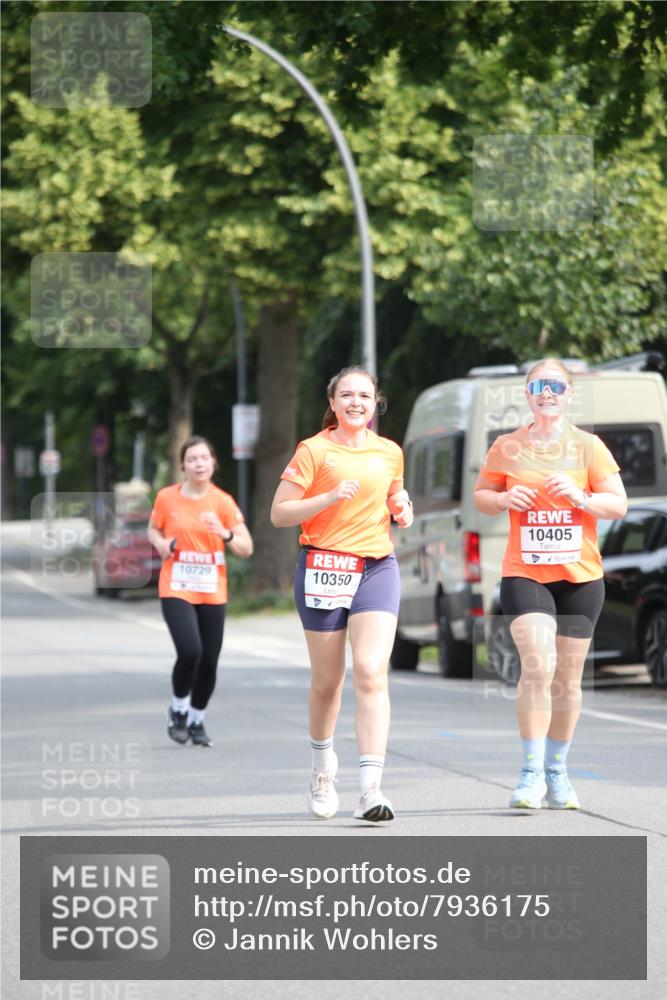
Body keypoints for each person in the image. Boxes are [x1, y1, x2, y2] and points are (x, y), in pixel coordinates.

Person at [474, 359, 627, 809]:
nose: (547, 392)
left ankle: (557, 769)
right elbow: (482, 497)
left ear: (569, 393)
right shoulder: (507, 446)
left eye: (555, 386)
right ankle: (529, 772)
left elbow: (617, 505)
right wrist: (502, 498)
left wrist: (581, 498)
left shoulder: (588, 447)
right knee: (537, 666)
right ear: (526, 393)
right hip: (526, 571)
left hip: (580, 577)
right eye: (538, 385)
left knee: (567, 679)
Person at [270, 367, 414, 822]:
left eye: (365, 395)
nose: (356, 402)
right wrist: (327, 497)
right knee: (328, 682)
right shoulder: (313, 450)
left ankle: (371, 788)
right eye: (346, 395)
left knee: (372, 671)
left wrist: (402, 506)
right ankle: (322, 769)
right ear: (332, 403)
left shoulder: (390, 451)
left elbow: (395, 494)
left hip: (375, 566)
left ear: (376, 403)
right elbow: (279, 513)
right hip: (324, 566)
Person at [148, 435, 253, 747]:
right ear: (182, 465)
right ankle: (178, 710)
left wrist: (226, 533)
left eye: (204, 459)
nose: (198, 464)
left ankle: (196, 718)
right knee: (190, 650)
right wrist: (161, 544)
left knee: (209, 660)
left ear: (213, 463)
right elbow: (153, 528)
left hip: (211, 590)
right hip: (177, 587)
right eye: (191, 459)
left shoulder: (222, 502)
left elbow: (246, 548)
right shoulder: (167, 498)